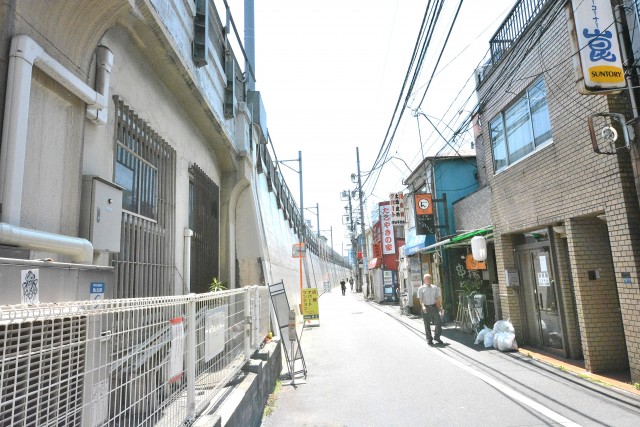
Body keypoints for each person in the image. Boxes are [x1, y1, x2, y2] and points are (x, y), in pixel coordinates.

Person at [417, 273, 444, 345]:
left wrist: (440, 307)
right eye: (427, 278)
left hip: (434, 307)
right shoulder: (421, 288)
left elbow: (437, 298)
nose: (429, 280)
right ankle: (429, 339)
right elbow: (421, 300)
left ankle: (437, 337)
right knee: (427, 324)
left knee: (438, 322)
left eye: (430, 278)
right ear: (424, 280)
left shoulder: (434, 287)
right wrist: (423, 306)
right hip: (426, 307)